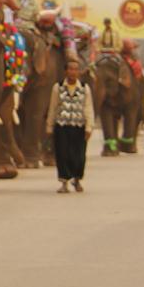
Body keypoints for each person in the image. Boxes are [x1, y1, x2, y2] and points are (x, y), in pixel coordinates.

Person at [45, 57, 95, 193]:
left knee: (79, 155)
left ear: (79, 72)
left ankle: (77, 180)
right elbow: (53, 107)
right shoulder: (58, 87)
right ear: (65, 71)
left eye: (76, 69)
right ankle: (64, 182)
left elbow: (88, 107)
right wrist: (49, 126)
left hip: (79, 126)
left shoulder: (85, 88)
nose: (73, 72)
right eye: (70, 69)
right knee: (62, 154)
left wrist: (89, 127)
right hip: (62, 125)